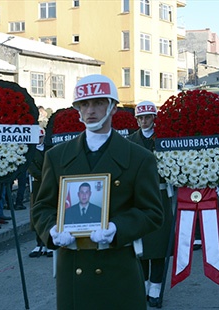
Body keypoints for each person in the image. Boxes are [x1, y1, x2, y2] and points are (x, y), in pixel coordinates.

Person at [32, 74, 163, 310]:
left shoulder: (139, 157)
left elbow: (152, 212)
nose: (90, 110)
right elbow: (42, 207)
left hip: (117, 265)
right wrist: (51, 229)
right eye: (84, 104)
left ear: (113, 107)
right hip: (73, 266)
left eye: (99, 103)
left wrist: (117, 228)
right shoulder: (57, 156)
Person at [127, 101, 174, 308]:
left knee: (159, 244)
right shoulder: (130, 141)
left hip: (160, 195)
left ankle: (156, 287)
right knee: (141, 244)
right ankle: (144, 284)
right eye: (140, 118)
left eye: (147, 117)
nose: (143, 121)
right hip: (138, 198)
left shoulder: (164, 139)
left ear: (154, 117)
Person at [28, 128, 52, 257]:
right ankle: (39, 243)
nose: (39, 140)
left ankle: (49, 242)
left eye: (41, 137)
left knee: (50, 212)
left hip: (50, 185)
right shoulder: (30, 152)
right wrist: (46, 177)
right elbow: (32, 169)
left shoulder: (50, 149)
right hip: (38, 186)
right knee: (37, 213)